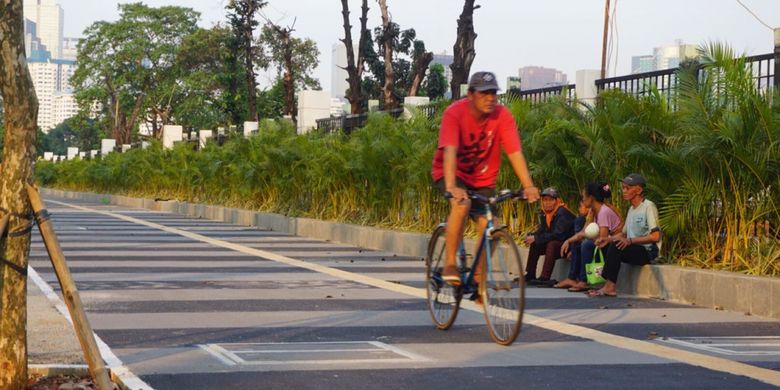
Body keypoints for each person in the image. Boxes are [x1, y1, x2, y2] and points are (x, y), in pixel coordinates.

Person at [431, 71, 540, 285]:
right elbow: (450, 151)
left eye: (493, 93)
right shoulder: (455, 113)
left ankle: (478, 277)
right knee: (462, 204)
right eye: (484, 93)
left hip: (482, 181)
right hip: (451, 173)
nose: (490, 98)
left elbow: (514, 152)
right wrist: (452, 186)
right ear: (470, 94)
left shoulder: (502, 116)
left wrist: (528, 185)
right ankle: (450, 264)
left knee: (493, 226)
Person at [589, 174, 661, 297]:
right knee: (607, 245)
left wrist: (631, 241)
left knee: (616, 246)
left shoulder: (649, 207)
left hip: (647, 251)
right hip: (633, 248)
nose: (624, 191)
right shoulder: (631, 209)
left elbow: (655, 236)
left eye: (627, 188)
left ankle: (610, 287)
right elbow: (623, 234)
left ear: (638, 190)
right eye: (623, 188)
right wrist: (607, 239)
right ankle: (606, 283)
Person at [560, 182, 622, 292]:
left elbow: (602, 239)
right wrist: (568, 241)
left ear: (591, 198)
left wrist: (586, 237)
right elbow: (583, 232)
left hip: (613, 246)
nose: (582, 200)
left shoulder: (603, 211)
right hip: (604, 244)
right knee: (578, 242)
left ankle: (583, 281)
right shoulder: (593, 212)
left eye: (584, 197)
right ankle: (574, 278)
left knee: (586, 244)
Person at [524, 187, 575, 286]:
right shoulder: (545, 213)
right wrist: (533, 236)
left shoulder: (562, 213)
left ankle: (545, 277)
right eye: (545, 200)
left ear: (556, 201)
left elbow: (558, 235)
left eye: (550, 200)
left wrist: (537, 238)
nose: (547, 203)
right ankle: (530, 274)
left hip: (569, 247)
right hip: (557, 244)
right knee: (535, 242)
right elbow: (543, 231)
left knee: (551, 244)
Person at [552, 199, 590, 289]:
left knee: (581, 244)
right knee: (577, 244)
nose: (579, 209)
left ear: (589, 208)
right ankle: (572, 278)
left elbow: (582, 235)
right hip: (585, 241)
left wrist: (569, 242)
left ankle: (576, 278)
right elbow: (581, 234)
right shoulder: (588, 217)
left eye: (581, 206)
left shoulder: (586, 218)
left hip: (597, 242)